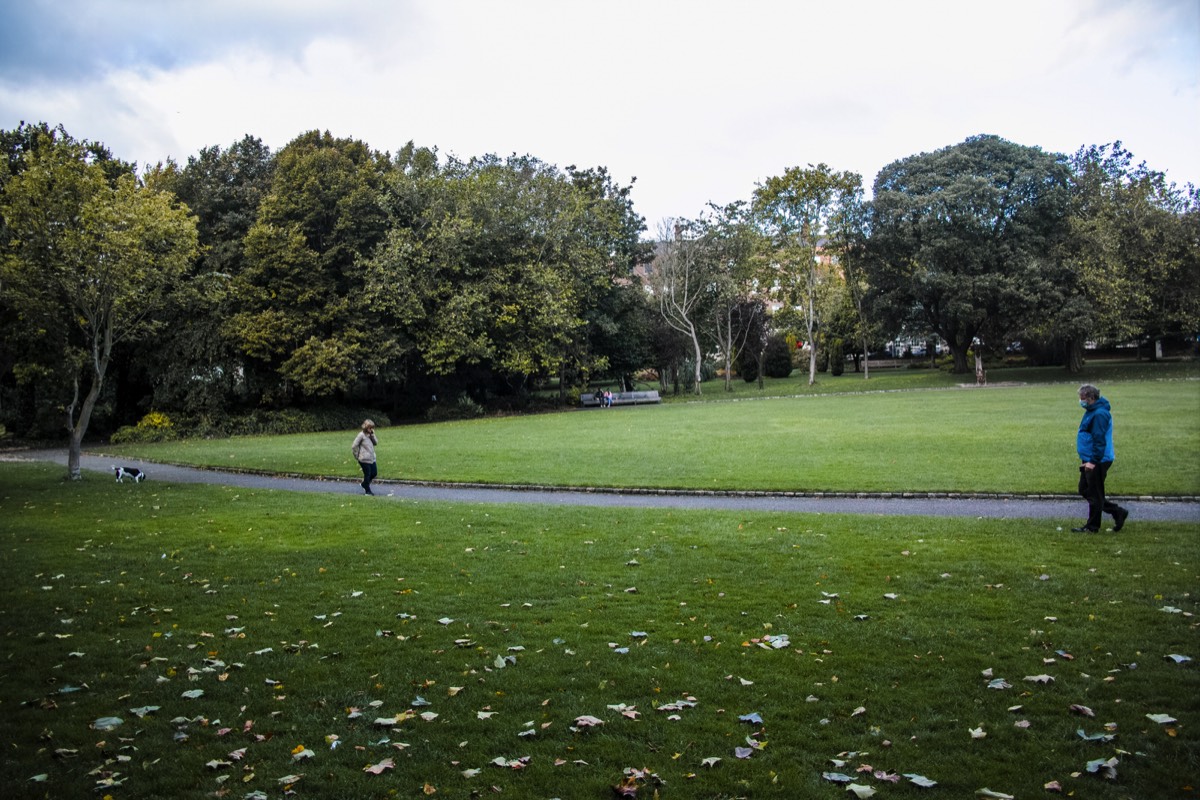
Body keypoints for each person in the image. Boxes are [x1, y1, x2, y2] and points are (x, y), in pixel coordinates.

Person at [1073, 384, 1128, 533]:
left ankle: (1092, 526)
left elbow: (1099, 440)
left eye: (1082, 398)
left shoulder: (1099, 414)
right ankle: (1117, 512)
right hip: (1090, 458)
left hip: (1098, 459)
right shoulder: (1092, 410)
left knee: (1093, 493)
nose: (1080, 401)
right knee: (1085, 489)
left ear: (1091, 398)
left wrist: (1093, 461)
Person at [351, 419, 378, 495]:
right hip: (364, 459)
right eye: (370, 428)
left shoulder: (371, 434)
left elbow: (376, 443)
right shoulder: (361, 435)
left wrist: (372, 435)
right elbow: (354, 446)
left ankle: (364, 484)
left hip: (372, 458)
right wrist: (357, 456)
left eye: (372, 428)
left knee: (374, 473)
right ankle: (367, 491)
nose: (371, 429)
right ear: (366, 427)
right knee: (368, 474)